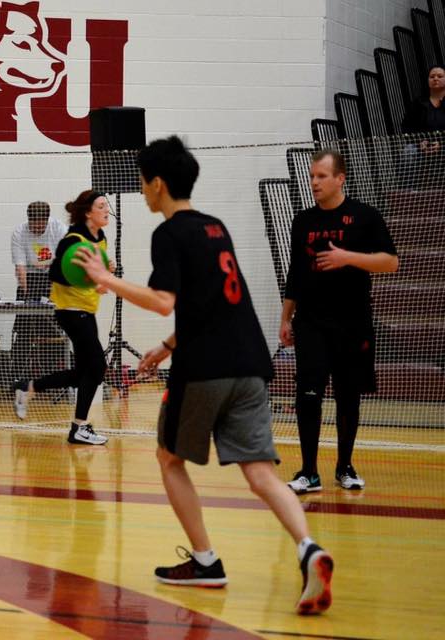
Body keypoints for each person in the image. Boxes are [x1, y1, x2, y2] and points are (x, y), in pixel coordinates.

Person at [75, 136, 333, 615]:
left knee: (169, 458)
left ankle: (206, 561)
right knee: (260, 473)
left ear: (157, 183)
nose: (141, 190)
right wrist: (167, 345)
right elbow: (215, 303)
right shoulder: (216, 227)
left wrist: (106, 279)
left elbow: (163, 301)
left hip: (206, 369)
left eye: (142, 182)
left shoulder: (168, 233)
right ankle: (308, 549)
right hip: (251, 364)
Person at [280, 150, 398, 493]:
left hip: (352, 322)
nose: (314, 182)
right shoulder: (302, 221)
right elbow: (295, 273)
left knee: (348, 395)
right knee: (308, 394)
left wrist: (347, 257)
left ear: (340, 178)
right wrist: (286, 317)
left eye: (321, 176)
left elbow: (390, 262)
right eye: (312, 176)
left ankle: (345, 466)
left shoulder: (365, 216)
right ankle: (308, 472)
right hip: (310, 322)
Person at [12, 190, 111, 445]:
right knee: (97, 367)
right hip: (70, 310)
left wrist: (103, 273)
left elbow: (96, 273)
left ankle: (29, 387)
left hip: (87, 309)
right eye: (101, 206)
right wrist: (91, 277)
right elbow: (56, 274)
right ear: (88, 212)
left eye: (106, 206)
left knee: (83, 373)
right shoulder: (73, 239)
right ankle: (79, 427)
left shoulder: (100, 237)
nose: (106, 210)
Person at [10, 201, 67, 381]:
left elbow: (65, 258)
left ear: (46, 220)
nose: (36, 229)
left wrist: (47, 265)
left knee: (54, 331)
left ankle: (51, 375)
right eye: (33, 226)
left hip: (53, 278)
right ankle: (18, 377)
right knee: (24, 330)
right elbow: (20, 268)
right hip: (30, 279)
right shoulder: (19, 233)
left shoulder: (59, 229)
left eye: (40, 226)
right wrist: (26, 296)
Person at [400, 65, 445, 189]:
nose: (435, 79)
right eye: (432, 76)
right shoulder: (418, 103)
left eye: (440, 76)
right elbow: (406, 127)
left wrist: (441, 144)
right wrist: (420, 142)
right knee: (409, 150)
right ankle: (409, 191)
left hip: (443, 146)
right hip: (422, 146)